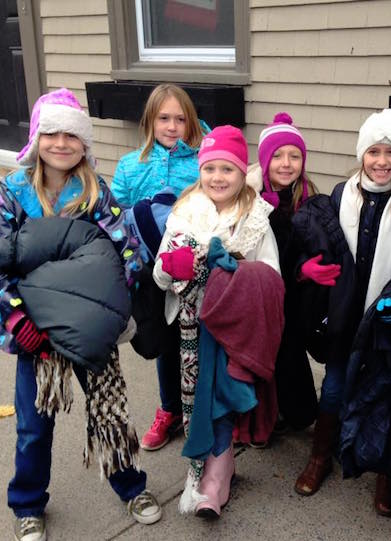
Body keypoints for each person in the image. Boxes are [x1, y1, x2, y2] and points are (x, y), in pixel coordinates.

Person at [0, 88, 162, 541]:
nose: (61, 143)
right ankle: (27, 502)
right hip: (36, 331)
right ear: (36, 139)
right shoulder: (14, 193)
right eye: (52, 134)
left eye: (72, 135)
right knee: (33, 424)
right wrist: (17, 321)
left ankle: (131, 486)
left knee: (110, 413)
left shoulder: (95, 193)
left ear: (84, 143)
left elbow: (128, 252)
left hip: (89, 327)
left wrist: (111, 306)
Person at [293, 108, 391, 516]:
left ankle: (386, 470)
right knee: (335, 386)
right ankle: (321, 453)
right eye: (374, 151)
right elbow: (320, 245)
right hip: (345, 315)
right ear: (361, 155)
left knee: (385, 392)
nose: (382, 161)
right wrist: (307, 268)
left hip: (386, 319)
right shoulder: (341, 196)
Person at [152, 125, 283, 519]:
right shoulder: (184, 212)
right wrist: (177, 267)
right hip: (193, 326)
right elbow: (160, 274)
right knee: (196, 400)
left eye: (228, 169)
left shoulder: (255, 217)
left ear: (242, 172)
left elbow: (272, 275)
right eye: (210, 168)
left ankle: (216, 477)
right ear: (200, 171)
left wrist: (234, 271)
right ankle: (207, 469)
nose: (218, 177)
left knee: (223, 397)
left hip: (234, 328)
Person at [111, 83, 209, 452]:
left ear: (191, 122)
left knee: (203, 340)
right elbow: (115, 217)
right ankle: (170, 408)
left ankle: (207, 410)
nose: (171, 126)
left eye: (180, 119)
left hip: (195, 270)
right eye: (164, 118)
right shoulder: (130, 165)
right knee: (165, 343)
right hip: (151, 271)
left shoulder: (202, 161)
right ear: (150, 121)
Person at [246, 112, 319, 440]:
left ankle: (298, 412)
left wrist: (304, 269)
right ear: (264, 161)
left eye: (294, 156)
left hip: (294, 295)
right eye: (277, 156)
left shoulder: (309, 199)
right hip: (259, 295)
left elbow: (310, 245)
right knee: (261, 358)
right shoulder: (251, 200)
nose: (286, 164)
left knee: (290, 355)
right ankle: (263, 416)